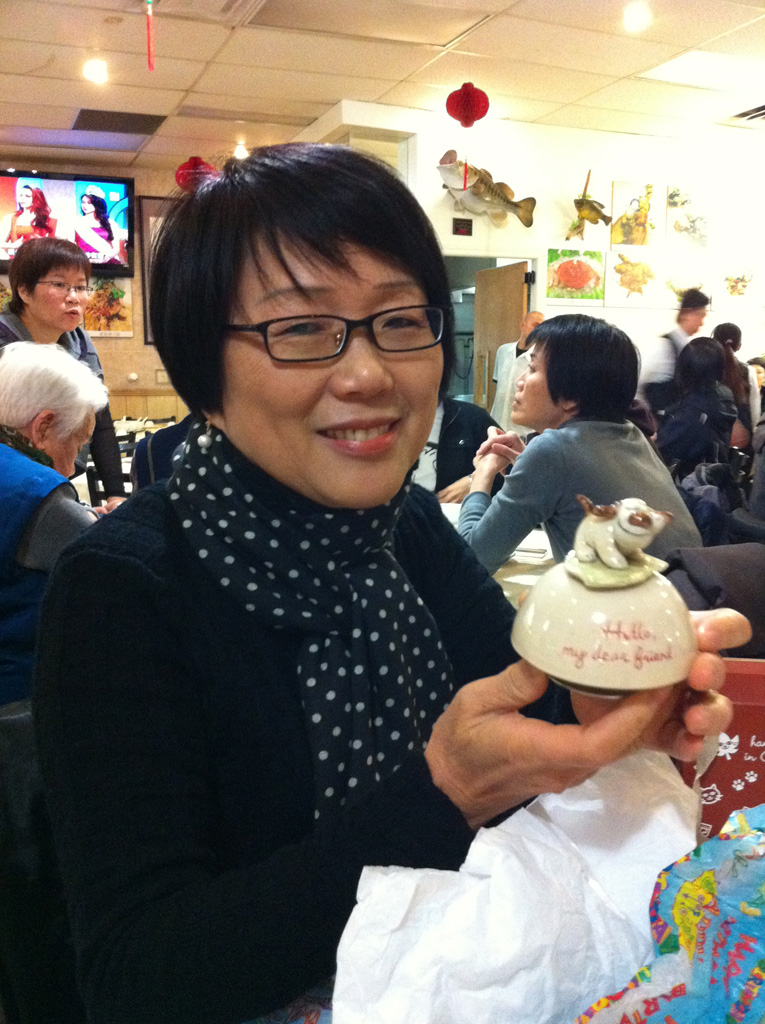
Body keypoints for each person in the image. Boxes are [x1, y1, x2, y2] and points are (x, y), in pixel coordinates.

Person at [34, 144, 743, 1024]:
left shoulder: (402, 526)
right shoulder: (121, 588)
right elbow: (136, 977)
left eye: (401, 321)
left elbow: (516, 700)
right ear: (202, 373)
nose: (369, 374)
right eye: (300, 329)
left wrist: (611, 702)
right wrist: (445, 792)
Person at [458, 314, 701, 571]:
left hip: (636, 597)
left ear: (571, 398)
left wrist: (481, 475)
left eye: (532, 369)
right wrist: (525, 462)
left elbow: (471, 562)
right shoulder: (631, 434)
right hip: (689, 588)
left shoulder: (553, 451)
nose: (519, 382)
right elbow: (569, 500)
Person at [0, 341, 106, 705]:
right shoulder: (35, 490)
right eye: (77, 442)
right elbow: (110, 571)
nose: (72, 466)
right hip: (21, 701)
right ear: (43, 426)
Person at [0, 237, 127, 509]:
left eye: (80, 287)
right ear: (24, 291)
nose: (74, 297)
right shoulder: (4, 343)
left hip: (59, 482)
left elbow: (100, 419)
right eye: (59, 285)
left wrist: (115, 494)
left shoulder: (81, 343)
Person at [656, 337, 737, 480]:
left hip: (687, 486)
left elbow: (660, 454)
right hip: (710, 483)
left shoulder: (694, 414)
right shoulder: (724, 397)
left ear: (683, 369)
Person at [412, 393, 501, 502]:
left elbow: (511, 470)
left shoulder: (472, 417)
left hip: (455, 510)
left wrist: (474, 481)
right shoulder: (394, 421)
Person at [640, 287, 709, 422]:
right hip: (659, 422)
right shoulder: (663, 346)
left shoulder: (687, 347)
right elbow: (640, 384)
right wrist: (647, 420)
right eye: (700, 315)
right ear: (686, 313)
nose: (702, 323)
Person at [490, 309, 544, 431]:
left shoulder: (540, 357)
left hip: (524, 429)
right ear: (522, 326)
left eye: (542, 327)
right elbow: (498, 387)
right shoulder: (503, 351)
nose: (539, 330)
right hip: (497, 421)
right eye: (536, 325)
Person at [711, 322, 759, 443]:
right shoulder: (749, 371)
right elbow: (755, 412)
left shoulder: (706, 367)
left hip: (713, 437)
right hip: (742, 440)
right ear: (739, 346)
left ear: (714, 343)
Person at [75, 187, 127, 265]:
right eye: (83, 202)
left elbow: (116, 249)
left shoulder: (111, 223)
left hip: (107, 263)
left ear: (97, 204)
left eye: (89, 203)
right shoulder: (77, 222)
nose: (84, 206)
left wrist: (105, 259)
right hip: (82, 262)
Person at [0, 182, 56, 253]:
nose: (22, 198)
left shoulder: (49, 221)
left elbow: (52, 248)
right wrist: (13, 245)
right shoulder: (10, 218)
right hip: (17, 257)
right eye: (20, 195)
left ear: (36, 199)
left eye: (27, 196)